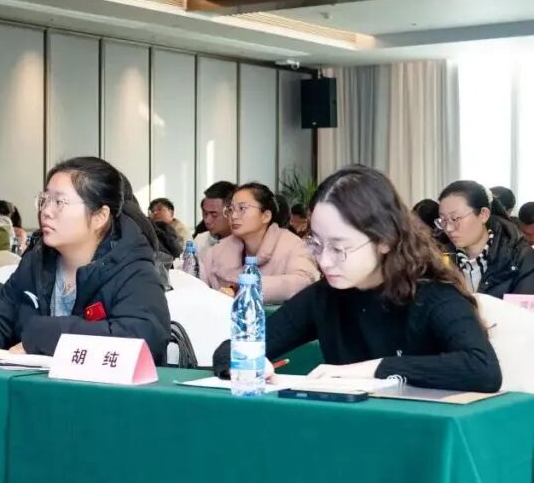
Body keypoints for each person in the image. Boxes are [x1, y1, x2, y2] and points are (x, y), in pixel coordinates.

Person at [213, 165, 501, 393]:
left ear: (385, 239)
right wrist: (247, 363)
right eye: (317, 244)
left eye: (339, 247)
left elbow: (482, 369)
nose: (325, 261)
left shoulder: (432, 293)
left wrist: (370, 370)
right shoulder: (326, 295)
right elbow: (230, 350)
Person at [0, 157, 170, 362]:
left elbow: (143, 337)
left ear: (99, 216)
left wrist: (41, 336)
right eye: (44, 200)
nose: (45, 211)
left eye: (59, 202)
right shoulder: (36, 262)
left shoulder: (132, 268)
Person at [199, 182, 318, 304]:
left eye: (242, 208)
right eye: (231, 209)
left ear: (265, 216)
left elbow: (303, 282)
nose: (233, 216)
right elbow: (197, 283)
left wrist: (245, 288)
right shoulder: (218, 251)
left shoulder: (294, 246)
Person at [437, 181, 534, 297]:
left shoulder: (520, 258)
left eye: (455, 218)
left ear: (483, 214)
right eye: (443, 220)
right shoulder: (437, 257)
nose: (448, 228)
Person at [193, 181, 236, 258]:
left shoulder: (245, 245)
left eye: (214, 215)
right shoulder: (201, 240)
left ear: (231, 212)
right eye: (205, 213)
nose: (207, 221)